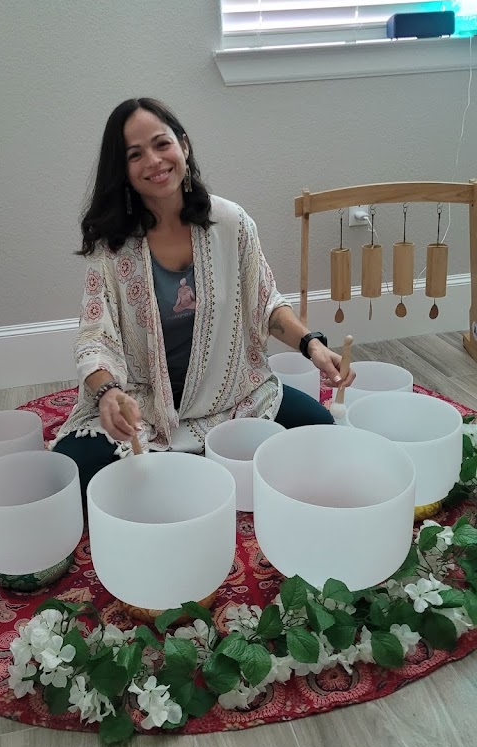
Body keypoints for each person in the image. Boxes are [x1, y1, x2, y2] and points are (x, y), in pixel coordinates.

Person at [52, 97, 355, 499]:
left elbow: (266, 303)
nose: (154, 161)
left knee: (322, 433)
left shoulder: (231, 223)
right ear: (122, 170)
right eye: (135, 154)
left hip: (232, 396)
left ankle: (190, 469)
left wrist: (312, 345)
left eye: (162, 144)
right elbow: (94, 337)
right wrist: (108, 394)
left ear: (183, 145)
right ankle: (199, 467)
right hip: (142, 406)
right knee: (71, 477)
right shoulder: (112, 247)